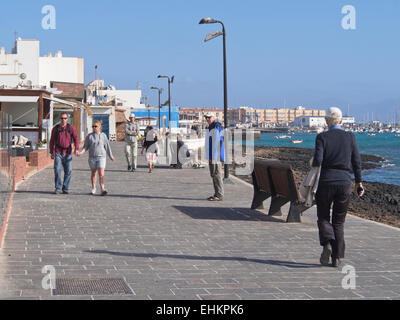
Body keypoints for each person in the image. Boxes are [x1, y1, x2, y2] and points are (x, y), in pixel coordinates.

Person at [312, 107, 365, 268]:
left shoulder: (322, 137)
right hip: (344, 182)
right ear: (341, 121)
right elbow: (356, 161)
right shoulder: (350, 137)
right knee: (339, 221)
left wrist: (313, 162)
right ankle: (337, 257)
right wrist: (359, 182)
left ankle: (327, 242)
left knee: (323, 217)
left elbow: (318, 161)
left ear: (327, 121)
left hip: (326, 182)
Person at [77, 120, 115, 196]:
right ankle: (93, 188)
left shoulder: (103, 135)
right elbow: (85, 147)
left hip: (101, 157)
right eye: (93, 126)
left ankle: (102, 188)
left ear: (100, 127)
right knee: (94, 173)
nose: (94, 128)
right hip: (92, 157)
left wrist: (111, 156)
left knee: (101, 174)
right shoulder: (89, 136)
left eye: (96, 126)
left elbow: (107, 146)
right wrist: (81, 152)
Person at [49, 112, 79, 195]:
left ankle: (65, 188)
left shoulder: (71, 128)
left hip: (68, 152)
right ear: (60, 119)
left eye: (65, 118)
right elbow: (51, 141)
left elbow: (76, 138)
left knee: (68, 171)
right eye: (62, 118)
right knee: (58, 170)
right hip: (58, 152)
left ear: (67, 119)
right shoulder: (56, 128)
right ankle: (58, 188)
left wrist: (76, 149)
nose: (63, 120)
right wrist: (51, 152)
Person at [204, 113, 224, 201]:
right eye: (206, 117)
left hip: (215, 155)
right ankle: (216, 194)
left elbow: (218, 140)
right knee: (213, 174)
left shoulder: (216, 126)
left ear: (213, 117)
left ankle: (219, 195)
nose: (207, 119)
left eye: (209, 117)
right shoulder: (211, 126)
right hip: (212, 154)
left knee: (217, 174)